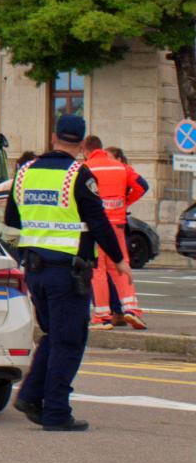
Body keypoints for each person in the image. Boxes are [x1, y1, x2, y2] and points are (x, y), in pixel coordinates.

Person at [6, 114, 125, 431]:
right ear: (83, 144)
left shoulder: (25, 172)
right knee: (69, 341)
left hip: (35, 269)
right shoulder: (79, 174)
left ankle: (31, 396)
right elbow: (98, 222)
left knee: (53, 336)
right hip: (67, 273)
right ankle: (57, 412)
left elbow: (11, 219)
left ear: (54, 136)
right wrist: (120, 260)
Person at [82, 134, 149, 330]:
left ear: (87, 151)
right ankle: (132, 309)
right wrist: (127, 201)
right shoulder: (120, 167)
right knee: (120, 266)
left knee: (98, 269)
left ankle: (102, 315)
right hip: (118, 224)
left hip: (96, 227)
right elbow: (142, 185)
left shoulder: (86, 168)